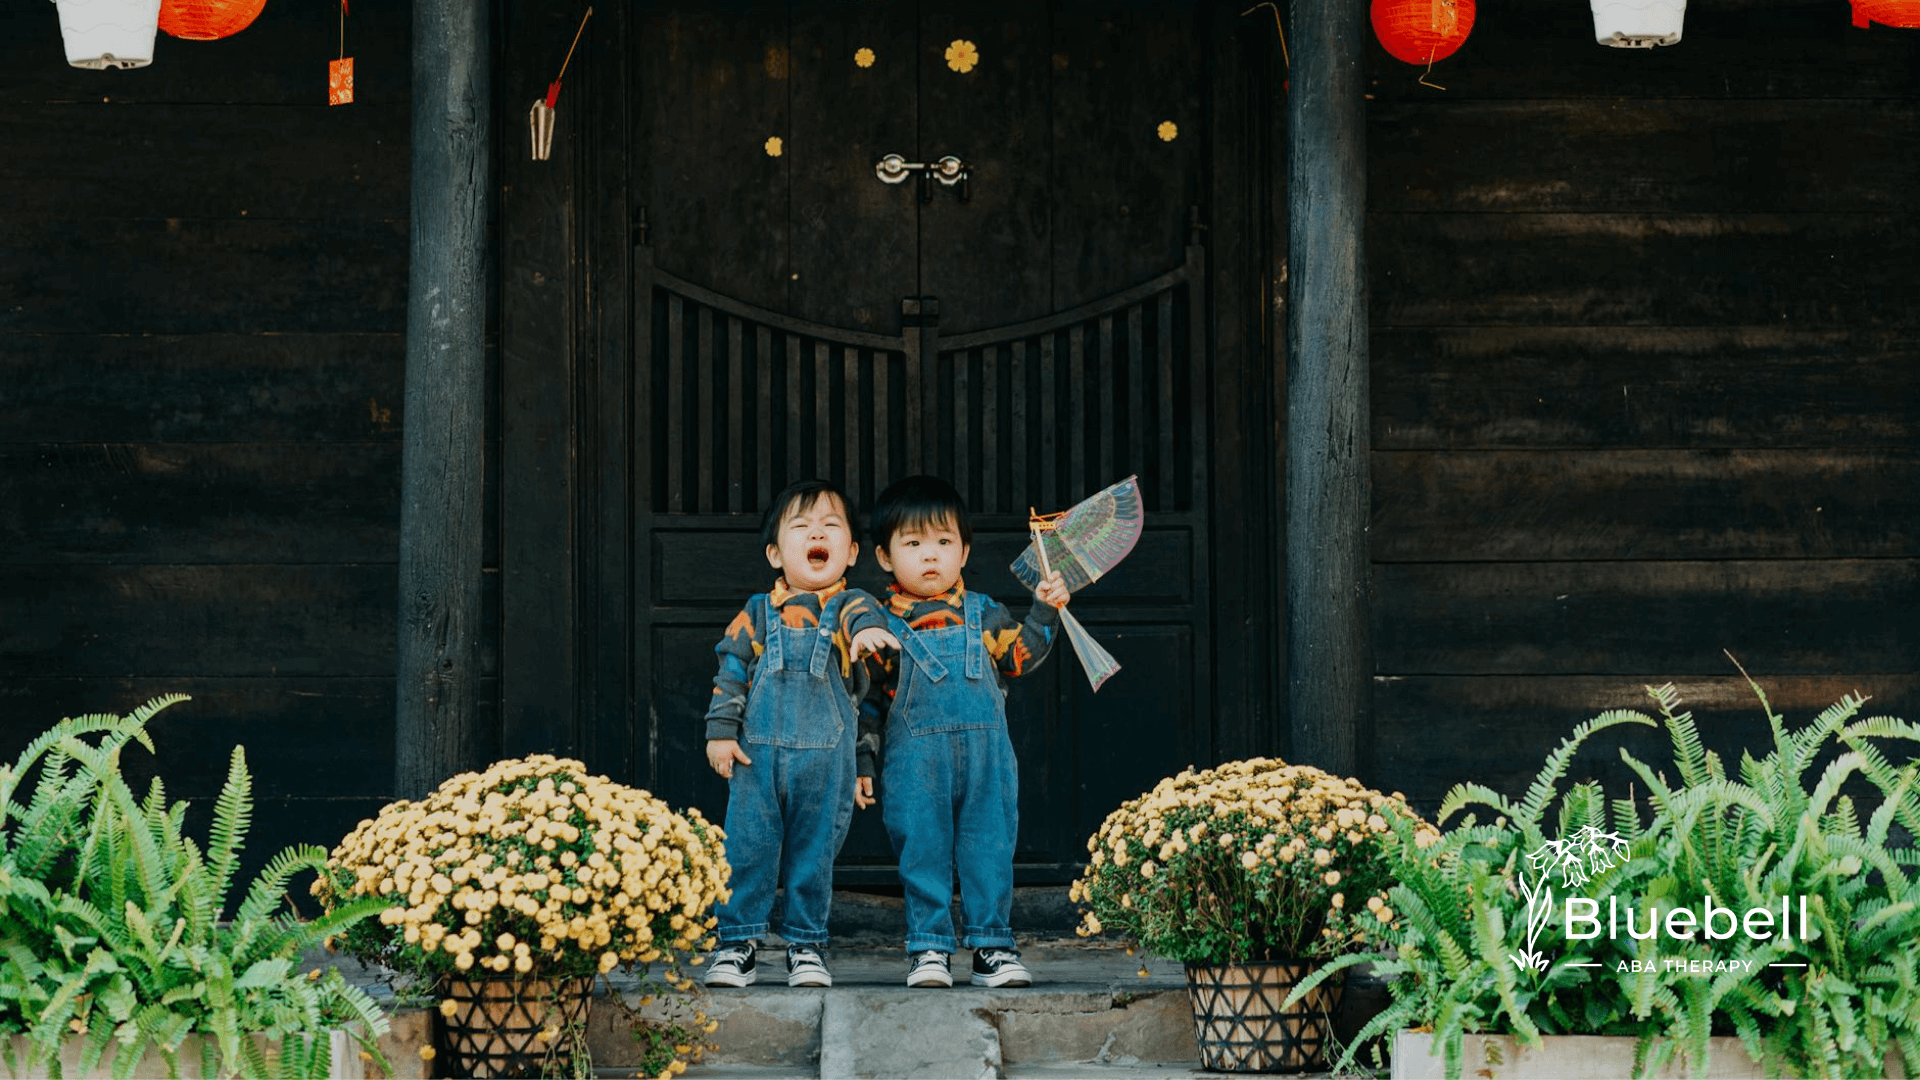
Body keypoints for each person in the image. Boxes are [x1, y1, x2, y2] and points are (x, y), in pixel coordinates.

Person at [863, 475, 1070, 988]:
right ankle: (929, 949)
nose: (930, 555)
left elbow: (1020, 659)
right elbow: (866, 702)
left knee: (989, 851)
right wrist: (862, 762)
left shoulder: (984, 613)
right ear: (885, 557)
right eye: (913, 543)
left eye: (943, 542)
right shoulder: (878, 624)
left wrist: (1045, 609)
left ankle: (992, 947)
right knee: (923, 852)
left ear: (964, 550)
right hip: (915, 766)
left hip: (987, 762)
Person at [701, 479, 900, 988]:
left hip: (827, 763)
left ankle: (805, 945)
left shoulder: (850, 607)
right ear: (774, 553)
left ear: (852, 551)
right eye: (803, 526)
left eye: (832, 526)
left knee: (814, 857)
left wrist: (862, 765)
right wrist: (720, 732)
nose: (818, 532)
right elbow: (732, 670)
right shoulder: (758, 612)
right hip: (756, 759)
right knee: (748, 849)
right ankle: (736, 942)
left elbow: (862, 696)